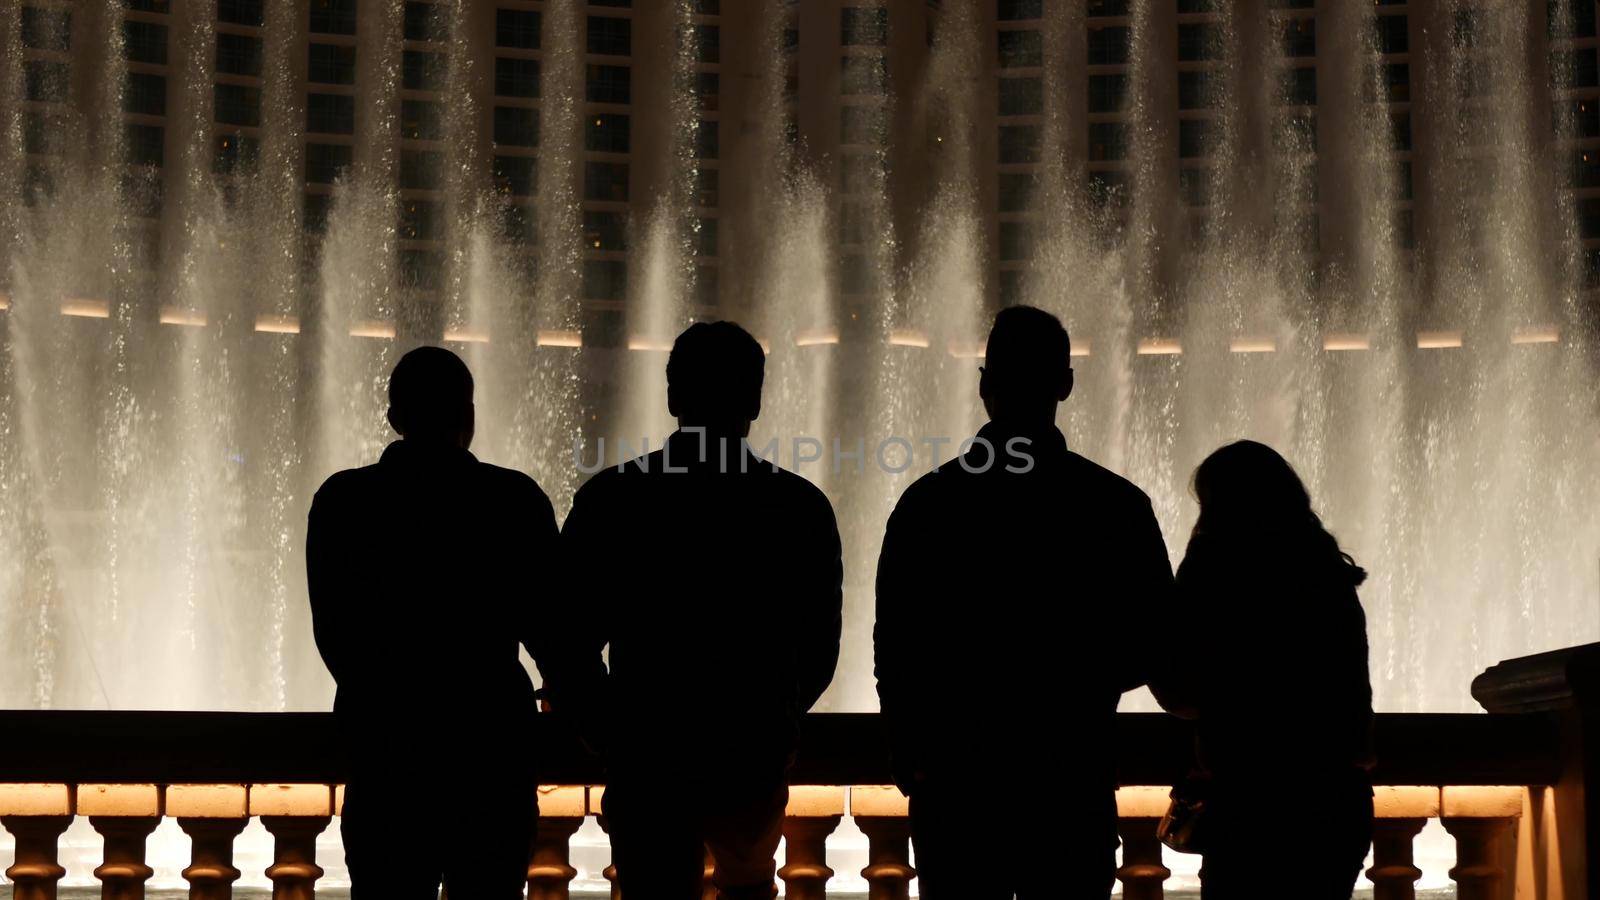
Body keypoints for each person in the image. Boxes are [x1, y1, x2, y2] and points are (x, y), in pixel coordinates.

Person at [874, 305, 1174, 900]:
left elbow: (897, 645)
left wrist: (911, 753)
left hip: (957, 790)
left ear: (985, 386)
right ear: (1065, 383)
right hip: (1069, 784)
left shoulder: (929, 507)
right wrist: (1078, 677)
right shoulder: (1115, 508)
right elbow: (1158, 645)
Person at [555, 321, 843, 899]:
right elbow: (818, 651)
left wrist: (608, 730)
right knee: (748, 888)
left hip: (646, 759)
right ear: (756, 399)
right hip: (749, 757)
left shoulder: (613, 500)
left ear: (671, 397)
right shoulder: (796, 509)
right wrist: (771, 720)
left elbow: (566, 638)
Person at [306, 346, 560, 900]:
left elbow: (335, 634)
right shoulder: (512, 501)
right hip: (491, 757)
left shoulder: (342, 503)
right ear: (468, 417)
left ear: (394, 418)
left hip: (385, 758)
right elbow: (552, 630)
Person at [1152, 440, 1375, 900]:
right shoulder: (1327, 573)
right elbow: (1352, 690)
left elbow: (1179, 688)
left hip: (1247, 800)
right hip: (1333, 800)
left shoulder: (1211, 568)